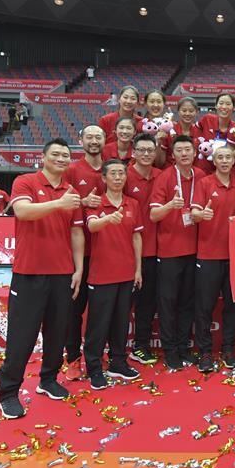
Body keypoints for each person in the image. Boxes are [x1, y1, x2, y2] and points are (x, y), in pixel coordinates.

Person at [0, 138, 84, 419]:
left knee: (57, 333)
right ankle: (8, 393)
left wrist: (78, 268)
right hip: (29, 272)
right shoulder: (25, 182)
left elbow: (76, 231)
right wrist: (59, 203)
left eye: (66, 155)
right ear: (43, 157)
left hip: (62, 273)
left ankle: (48, 380)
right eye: (56, 154)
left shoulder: (71, 192)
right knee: (22, 336)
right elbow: (22, 211)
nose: (61, 159)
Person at [83, 160, 143, 390]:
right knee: (98, 325)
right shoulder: (96, 202)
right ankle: (94, 368)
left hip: (126, 273)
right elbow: (92, 226)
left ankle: (118, 362)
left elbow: (136, 237)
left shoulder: (133, 204)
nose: (118, 177)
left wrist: (138, 269)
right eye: (113, 174)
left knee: (121, 322)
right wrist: (108, 218)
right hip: (101, 275)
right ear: (104, 178)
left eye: (121, 174)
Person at [149, 135, 204, 370]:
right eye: (179, 150)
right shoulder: (165, 177)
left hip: (195, 250)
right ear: (173, 155)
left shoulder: (201, 175)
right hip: (169, 251)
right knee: (168, 302)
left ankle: (183, 347)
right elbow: (153, 215)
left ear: (194, 153)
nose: (184, 153)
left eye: (187, 149)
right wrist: (171, 205)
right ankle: (170, 350)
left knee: (187, 302)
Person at [191, 146, 235, 373]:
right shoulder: (204, 183)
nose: (224, 161)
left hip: (234, 256)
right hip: (208, 255)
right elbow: (193, 213)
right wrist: (201, 215)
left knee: (232, 306)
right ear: (214, 161)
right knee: (204, 307)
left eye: (228, 157)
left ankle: (228, 350)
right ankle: (204, 352)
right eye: (220, 157)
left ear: (233, 161)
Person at [63, 125, 106, 381]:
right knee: (73, 310)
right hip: (79, 252)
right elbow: (59, 202)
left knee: (100, 311)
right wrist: (82, 201)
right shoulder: (72, 170)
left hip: (107, 251)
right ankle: (73, 358)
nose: (93, 141)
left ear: (104, 140)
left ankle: (95, 356)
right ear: (81, 140)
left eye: (98, 137)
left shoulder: (113, 170)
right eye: (89, 136)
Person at [124, 134, 162, 365]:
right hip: (128, 251)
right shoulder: (124, 176)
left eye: (150, 150)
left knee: (147, 304)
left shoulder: (162, 176)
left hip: (155, 251)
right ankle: (115, 349)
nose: (146, 154)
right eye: (142, 150)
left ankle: (140, 346)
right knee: (123, 304)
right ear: (134, 152)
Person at [162, 97, 201, 167]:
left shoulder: (200, 132)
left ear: (196, 112)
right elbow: (160, 162)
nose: (187, 114)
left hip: (192, 171)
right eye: (184, 110)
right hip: (171, 170)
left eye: (191, 111)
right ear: (178, 111)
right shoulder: (169, 130)